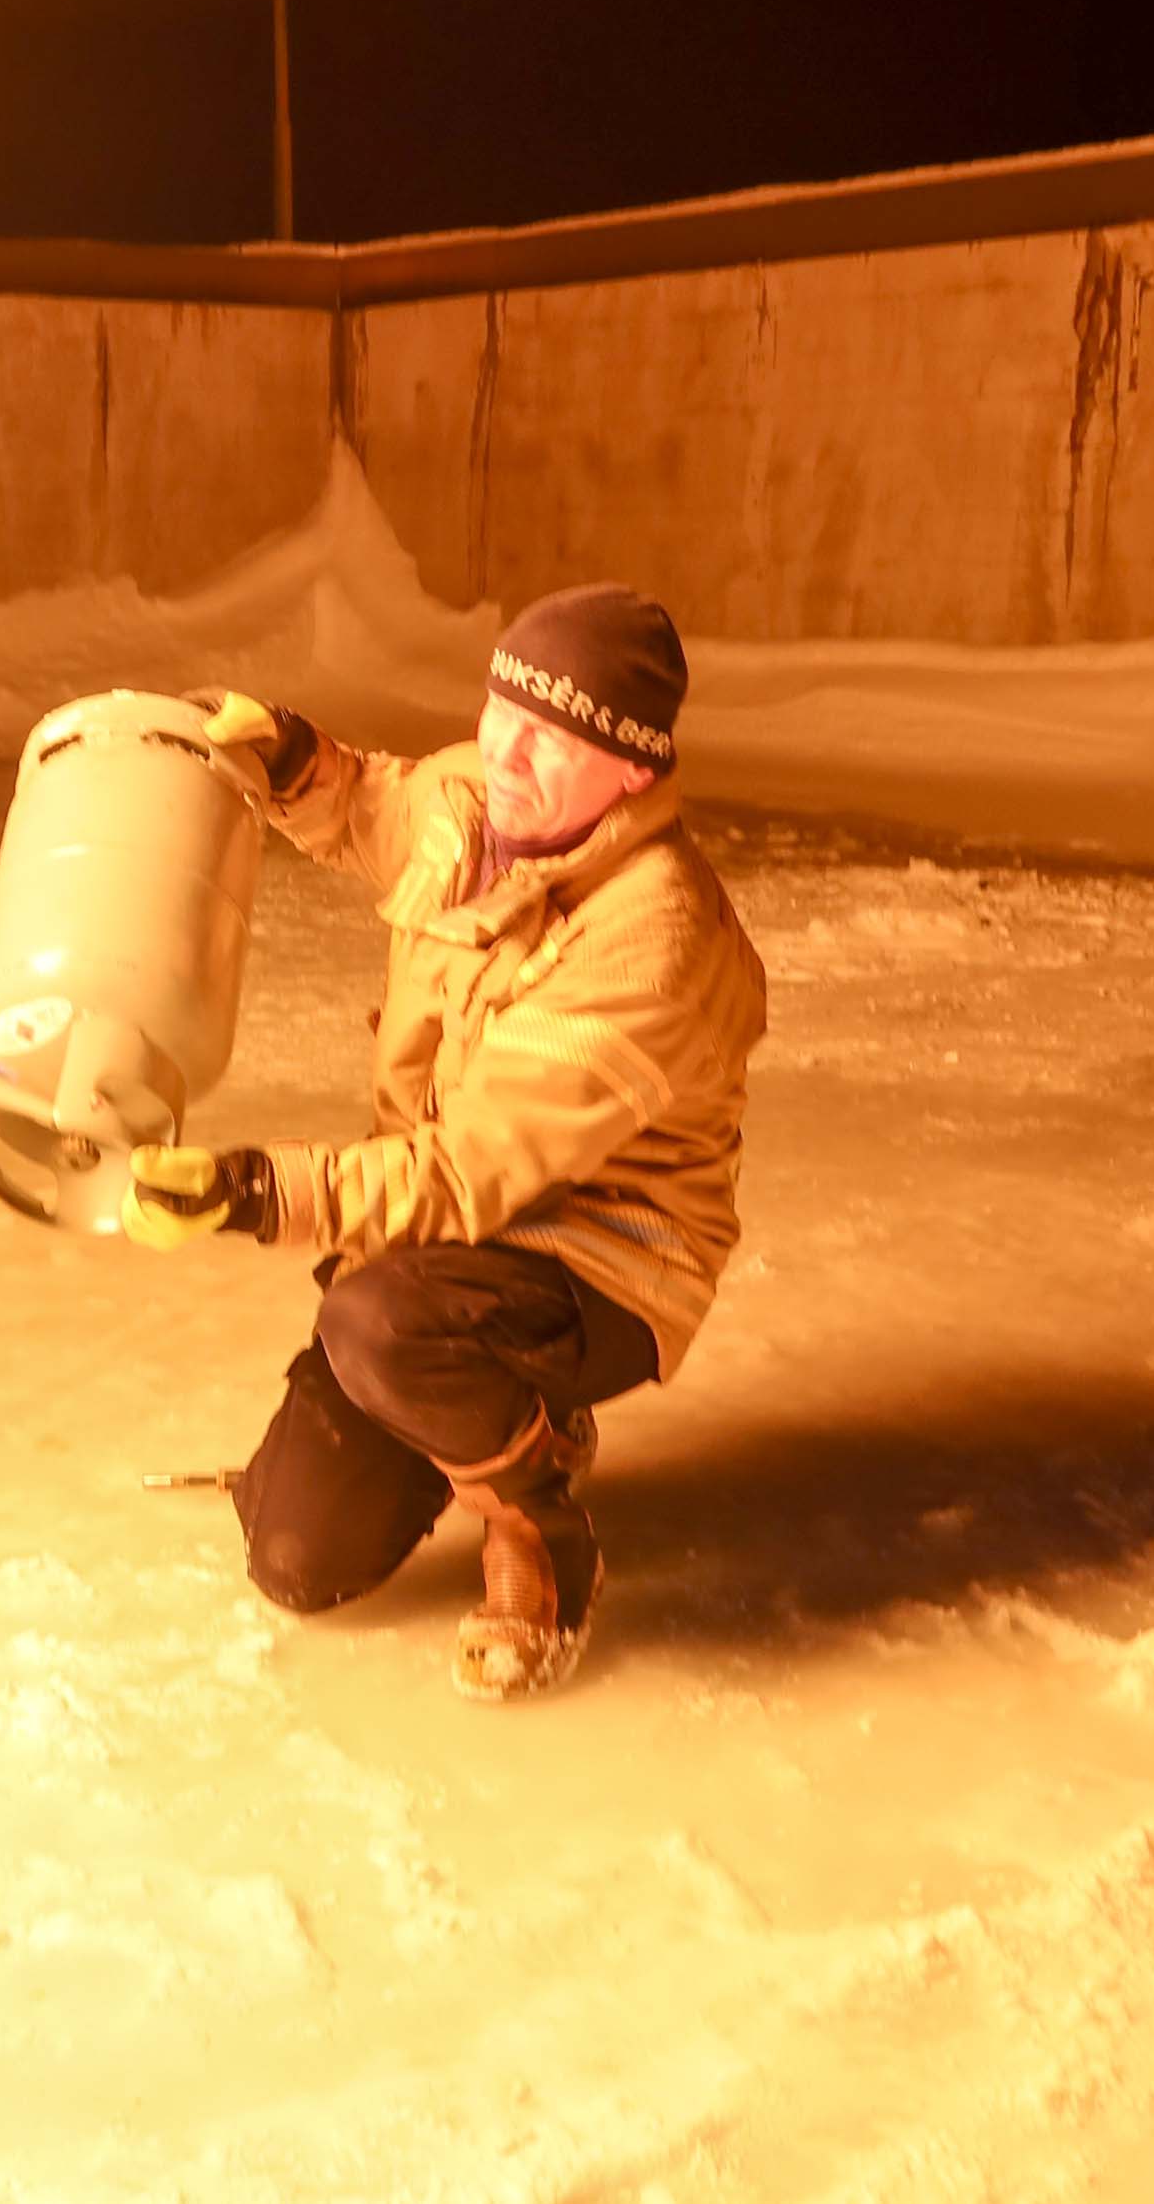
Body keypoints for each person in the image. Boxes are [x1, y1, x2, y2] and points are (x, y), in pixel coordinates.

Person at [124, 583, 768, 1701]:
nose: (507, 754)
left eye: (552, 740)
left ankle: (535, 1513)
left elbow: (467, 1173)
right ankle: (490, 1424)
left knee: (376, 1323)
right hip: (444, 1244)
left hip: (597, 1261)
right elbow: (382, 807)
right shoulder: (481, 797)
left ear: (632, 771)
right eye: (500, 711)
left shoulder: (650, 943)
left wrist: (258, 1191)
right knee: (296, 1557)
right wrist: (293, 761)